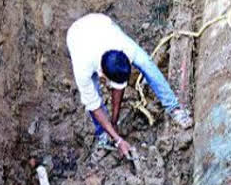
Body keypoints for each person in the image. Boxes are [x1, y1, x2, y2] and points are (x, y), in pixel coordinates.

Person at [66, 13, 192, 159]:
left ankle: (173, 107)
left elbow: (119, 86)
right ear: (102, 74)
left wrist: (114, 120)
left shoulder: (123, 47)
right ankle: (103, 135)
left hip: (101, 24)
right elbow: (93, 107)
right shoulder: (83, 67)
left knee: (146, 63)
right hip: (76, 35)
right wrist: (117, 139)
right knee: (94, 96)